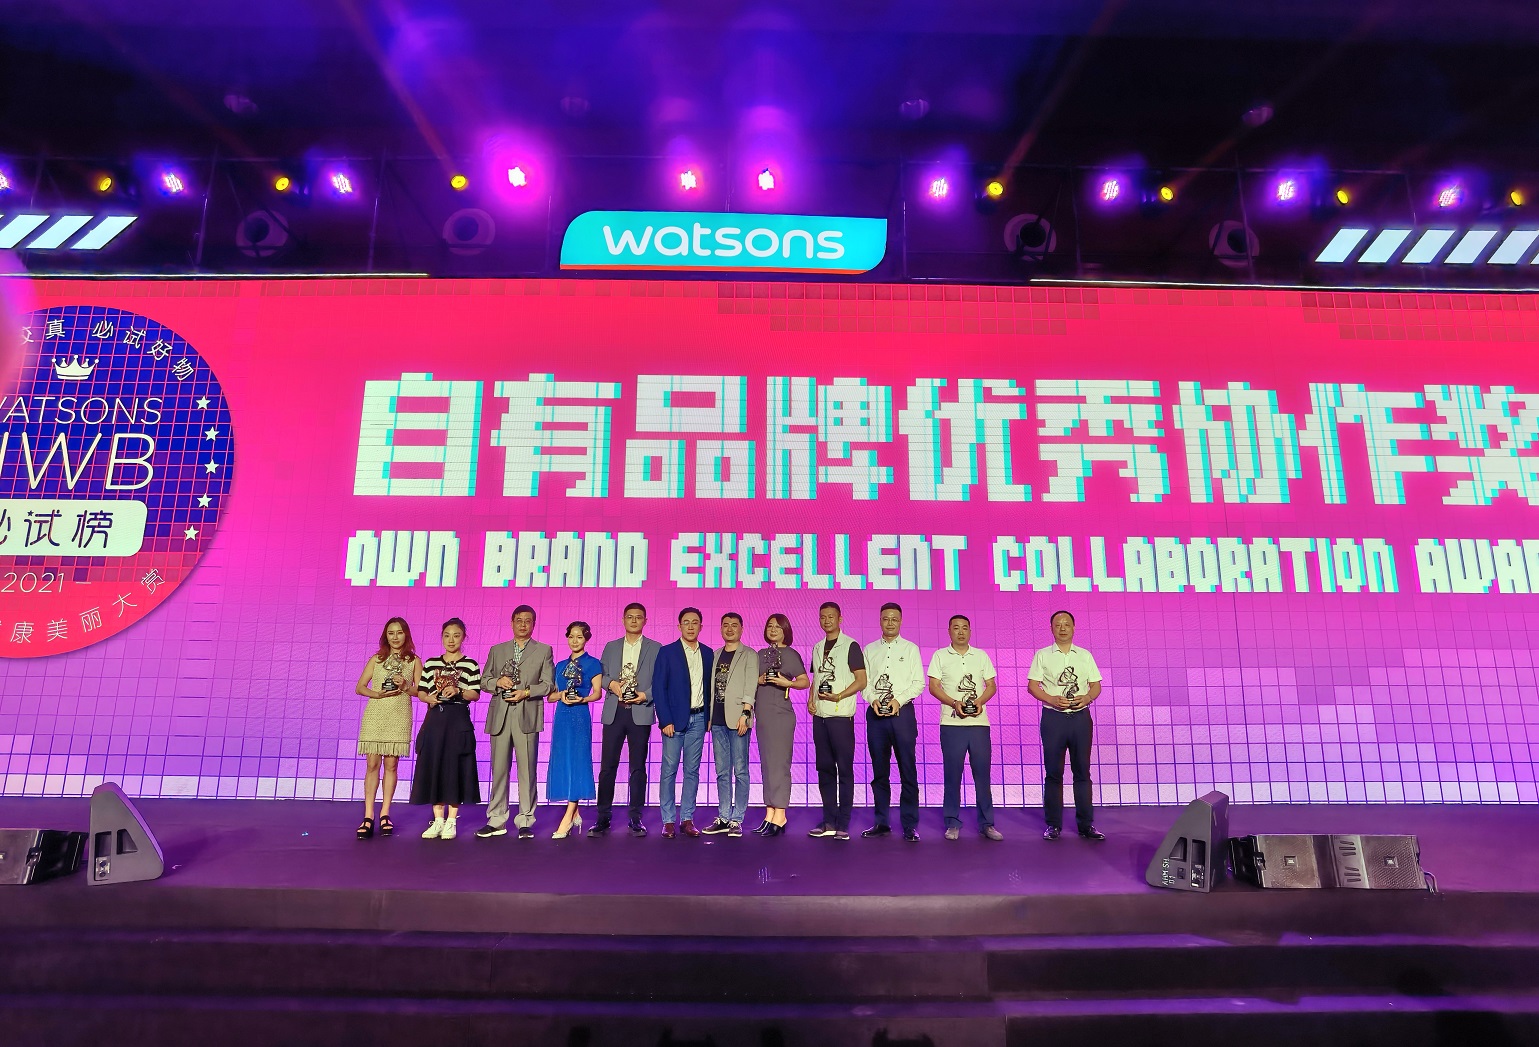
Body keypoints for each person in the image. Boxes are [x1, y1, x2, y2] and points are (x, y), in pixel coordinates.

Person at [476, 604, 555, 840]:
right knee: (499, 770)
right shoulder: (497, 650)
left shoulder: (544, 650)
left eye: (528, 621)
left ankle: (526, 820)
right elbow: (484, 680)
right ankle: (496, 819)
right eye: (519, 620)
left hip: (527, 714)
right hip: (500, 715)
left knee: (527, 770)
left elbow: (548, 684)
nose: (523, 624)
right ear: (511, 623)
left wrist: (526, 692)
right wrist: (497, 682)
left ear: (534, 624)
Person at [1027, 610, 1106, 841]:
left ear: (1073, 628)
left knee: (1082, 772)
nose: (1062, 628)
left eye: (1067, 624)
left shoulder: (1084, 655)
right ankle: (1053, 825)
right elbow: (1032, 686)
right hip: (1054, 719)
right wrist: (1051, 699)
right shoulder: (1043, 655)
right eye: (1058, 624)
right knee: (1054, 773)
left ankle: (1086, 825)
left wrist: (1087, 697)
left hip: (1080, 718)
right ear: (1051, 628)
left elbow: (1096, 685)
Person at [928, 615, 1002, 842]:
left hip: (979, 725)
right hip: (951, 724)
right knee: (952, 776)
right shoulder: (940, 656)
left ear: (970, 631)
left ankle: (987, 824)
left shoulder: (981, 656)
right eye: (956, 628)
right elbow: (933, 686)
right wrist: (954, 703)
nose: (960, 632)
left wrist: (980, 701)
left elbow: (991, 685)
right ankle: (952, 822)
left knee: (982, 775)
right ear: (949, 631)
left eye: (965, 628)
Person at [591, 602, 662, 837]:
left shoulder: (655, 648)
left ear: (645, 621)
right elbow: (600, 676)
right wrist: (611, 683)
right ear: (623, 620)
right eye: (629, 617)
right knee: (607, 767)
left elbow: (660, 681)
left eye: (638, 617)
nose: (633, 620)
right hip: (615, 711)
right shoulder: (611, 647)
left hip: (640, 711)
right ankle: (603, 817)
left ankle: (635, 818)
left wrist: (645, 695)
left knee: (638, 768)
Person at [411, 618, 482, 841]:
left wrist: (458, 689)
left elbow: (475, 694)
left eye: (456, 635)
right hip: (435, 720)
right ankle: (437, 820)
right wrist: (428, 698)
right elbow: (421, 692)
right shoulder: (431, 663)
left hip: (458, 720)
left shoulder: (470, 664)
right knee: (435, 767)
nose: (451, 640)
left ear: (463, 638)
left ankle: (451, 820)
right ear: (442, 637)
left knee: (455, 768)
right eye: (447, 635)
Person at [352, 616, 420, 840]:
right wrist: (377, 694)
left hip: (399, 715)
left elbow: (421, 691)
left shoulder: (413, 661)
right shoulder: (377, 659)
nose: (395, 637)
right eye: (391, 633)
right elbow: (360, 687)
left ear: (406, 635)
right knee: (372, 764)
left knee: (391, 764)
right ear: (385, 636)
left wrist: (406, 686)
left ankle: (385, 814)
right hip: (376, 714)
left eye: (399, 632)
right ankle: (368, 815)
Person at [861, 602, 924, 842]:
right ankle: (881, 822)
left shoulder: (910, 649)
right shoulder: (869, 650)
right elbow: (864, 682)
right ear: (880, 620)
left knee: (907, 769)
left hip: (902, 715)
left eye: (894, 619)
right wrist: (872, 699)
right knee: (879, 772)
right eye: (886, 618)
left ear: (900, 621)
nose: (890, 623)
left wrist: (899, 700)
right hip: (876, 715)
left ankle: (909, 825)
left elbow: (918, 682)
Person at [653, 607, 715, 839]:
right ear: (679, 626)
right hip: (673, 721)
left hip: (699, 719)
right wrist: (665, 719)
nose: (690, 626)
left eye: (695, 622)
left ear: (701, 626)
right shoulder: (667, 652)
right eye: (686, 622)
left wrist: (708, 717)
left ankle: (687, 819)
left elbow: (709, 688)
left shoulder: (708, 653)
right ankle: (668, 820)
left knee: (692, 771)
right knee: (669, 770)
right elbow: (659, 687)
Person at [807, 602, 866, 841]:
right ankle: (829, 821)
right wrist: (810, 700)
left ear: (840, 619)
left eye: (831, 616)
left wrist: (840, 695)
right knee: (824, 769)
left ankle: (843, 823)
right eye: (823, 617)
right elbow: (816, 678)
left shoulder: (851, 645)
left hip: (841, 717)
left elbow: (861, 680)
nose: (827, 620)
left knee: (844, 770)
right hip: (820, 718)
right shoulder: (817, 647)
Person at [547, 621, 604, 839]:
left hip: (580, 716)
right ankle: (575, 812)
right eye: (571, 636)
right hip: (562, 716)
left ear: (586, 639)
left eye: (579, 637)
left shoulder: (593, 663)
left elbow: (597, 693)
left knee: (578, 761)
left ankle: (568, 816)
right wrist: (561, 695)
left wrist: (583, 699)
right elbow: (550, 696)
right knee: (564, 761)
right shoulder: (560, 666)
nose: (575, 641)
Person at [702, 611, 756, 837]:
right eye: (726, 624)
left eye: (734, 625)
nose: (730, 628)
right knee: (722, 771)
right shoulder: (715, 655)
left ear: (742, 628)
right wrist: (708, 717)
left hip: (739, 719)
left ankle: (737, 819)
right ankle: (724, 816)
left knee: (741, 771)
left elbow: (751, 685)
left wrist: (746, 712)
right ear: (721, 628)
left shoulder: (749, 654)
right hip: (717, 720)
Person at [754, 613, 807, 836]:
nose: (773, 629)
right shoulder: (760, 654)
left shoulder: (791, 654)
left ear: (786, 630)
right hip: (763, 715)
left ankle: (781, 814)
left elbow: (804, 681)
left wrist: (787, 682)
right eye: (770, 626)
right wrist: (758, 680)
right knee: (767, 765)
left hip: (781, 715)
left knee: (780, 765)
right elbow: (751, 681)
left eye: (778, 626)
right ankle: (769, 813)